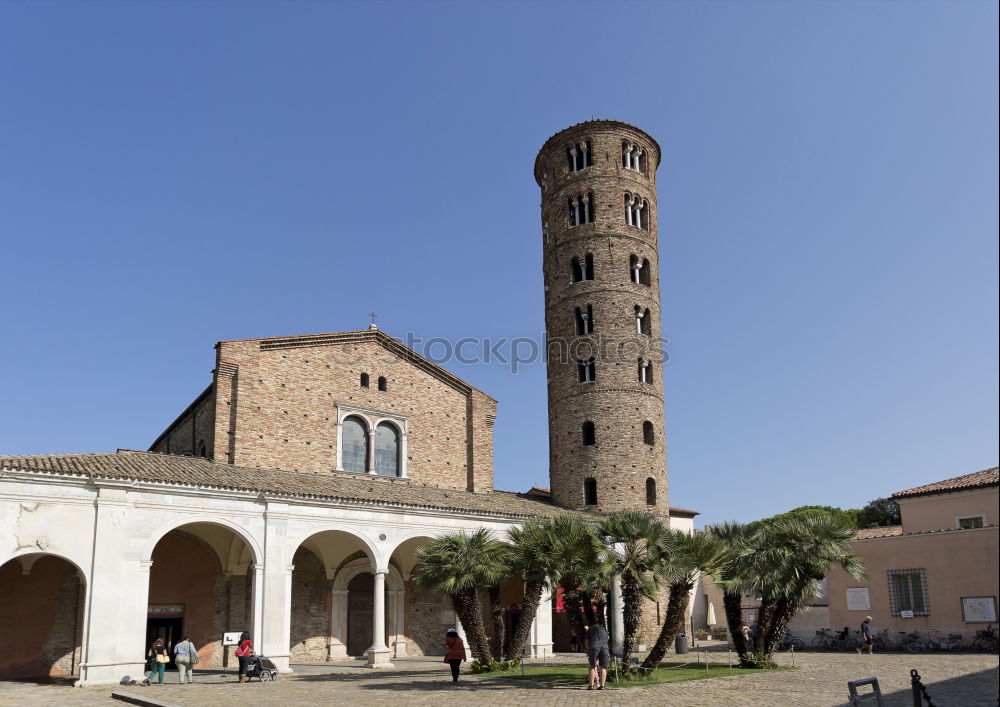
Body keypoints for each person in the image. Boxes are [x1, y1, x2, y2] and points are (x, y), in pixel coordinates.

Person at [585, 621, 610, 690]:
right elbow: (607, 639)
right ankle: (602, 685)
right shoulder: (605, 629)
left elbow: (586, 642)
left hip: (593, 648)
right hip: (604, 648)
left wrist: (588, 649)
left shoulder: (590, 629)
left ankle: (591, 685)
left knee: (592, 667)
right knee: (603, 667)